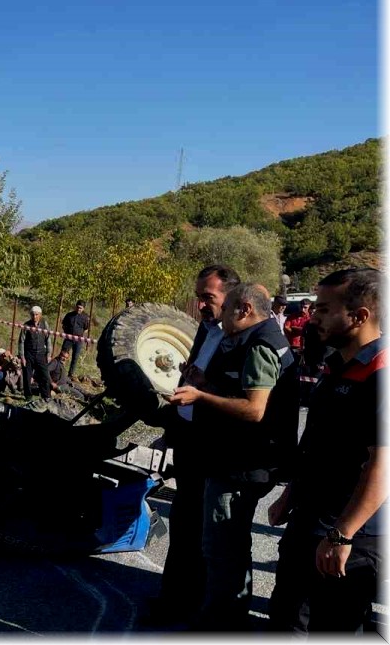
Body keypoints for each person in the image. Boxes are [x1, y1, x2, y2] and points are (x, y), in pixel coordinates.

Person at [170, 282, 299, 631]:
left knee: (223, 547)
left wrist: (200, 396)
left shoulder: (259, 345)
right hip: (241, 461)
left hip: (241, 465)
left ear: (244, 310)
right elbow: (243, 392)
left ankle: (220, 623)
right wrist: (207, 385)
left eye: (226, 309)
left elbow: (255, 410)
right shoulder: (259, 338)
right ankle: (226, 618)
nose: (221, 316)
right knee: (231, 545)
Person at [267, 268, 385, 634]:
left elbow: (382, 465)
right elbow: (317, 442)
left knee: (334, 627)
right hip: (309, 519)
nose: (312, 317)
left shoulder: (381, 373)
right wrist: (290, 494)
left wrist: (342, 534)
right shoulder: (336, 365)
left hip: (352, 535)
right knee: (286, 618)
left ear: (359, 316)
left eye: (323, 309)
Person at [146, 264, 241, 628]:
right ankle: (173, 598)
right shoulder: (206, 329)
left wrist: (204, 389)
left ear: (230, 297)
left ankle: (196, 605)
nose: (201, 305)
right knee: (184, 524)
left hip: (212, 448)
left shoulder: (240, 339)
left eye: (208, 297)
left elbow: (242, 400)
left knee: (205, 533)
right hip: (188, 440)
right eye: (199, 297)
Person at [18, 305, 52, 400]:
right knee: (27, 375)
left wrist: (49, 354)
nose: (34, 316)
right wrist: (22, 356)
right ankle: (28, 396)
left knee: (44, 375)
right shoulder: (26, 325)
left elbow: (48, 339)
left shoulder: (44, 324)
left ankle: (46, 396)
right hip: (29, 354)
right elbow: (21, 341)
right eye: (33, 314)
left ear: (40, 315)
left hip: (41, 354)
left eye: (36, 314)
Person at [60, 300, 91, 378]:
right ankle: (59, 372)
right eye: (77, 307)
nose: (78, 309)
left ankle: (70, 374)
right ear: (75, 306)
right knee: (63, 355)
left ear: (83, 308)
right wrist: (67, 333)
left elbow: (86, 329)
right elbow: (63, 325)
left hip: (78, 340)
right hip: (68, 339)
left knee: (75, 357)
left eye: (80, 308)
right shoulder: (69, 315)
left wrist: (80, 335)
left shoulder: (85, 317)